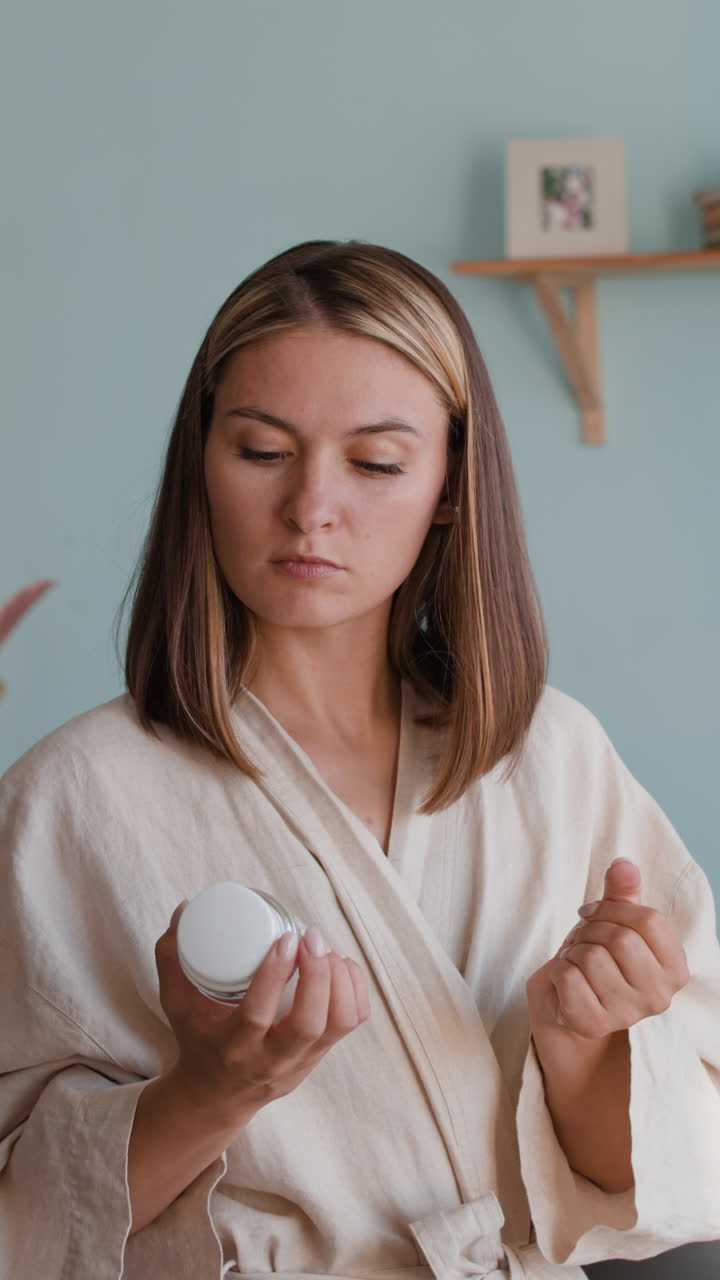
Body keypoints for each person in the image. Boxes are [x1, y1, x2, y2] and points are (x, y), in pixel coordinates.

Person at [1, 240, 719, 1280]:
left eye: (376, 462)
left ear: (448, 487)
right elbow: (23, 1222)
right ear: (200, 462)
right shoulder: (70, 799)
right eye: (260, 451)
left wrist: (588, 1042)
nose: (310, 507)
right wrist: (213, 1090)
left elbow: (647, 1178)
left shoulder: (550, 758)